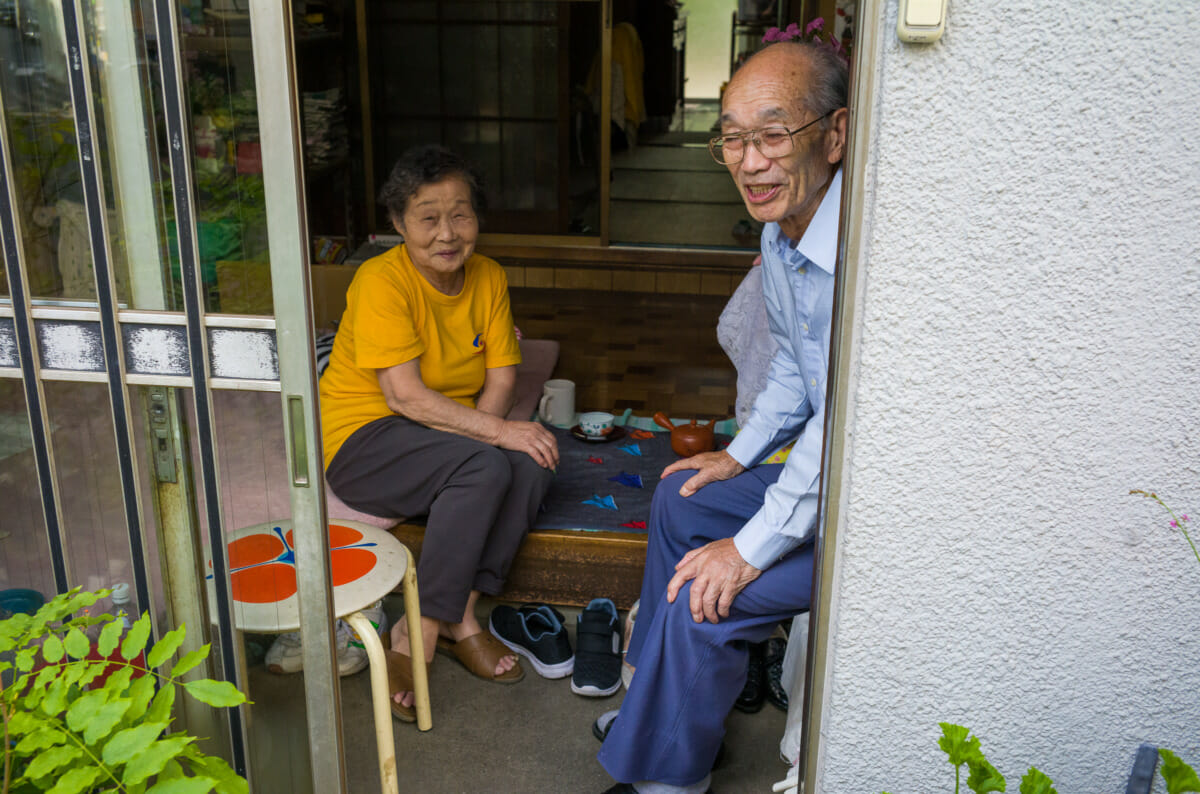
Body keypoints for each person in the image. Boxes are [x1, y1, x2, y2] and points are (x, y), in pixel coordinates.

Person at [594, 39, 848, 794]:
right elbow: (795, 381)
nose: (749, 161)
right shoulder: (781, 237)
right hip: (827, 487)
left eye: (773, 134)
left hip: (875, 522)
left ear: (834, 136)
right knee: (684, 492)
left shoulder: (865, 254)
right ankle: (654, 696)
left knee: (706, 590)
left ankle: (670, 777)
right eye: (733, 138)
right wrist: (737, 459)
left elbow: (841, 433)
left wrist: (747, 550)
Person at [319, 145, 559, 722]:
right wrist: (492, 438)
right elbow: (402, 395)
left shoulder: (489, 276)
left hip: (440, 440)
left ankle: (458, 614)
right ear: (399, 225)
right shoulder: (380, 281)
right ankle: (420, 635)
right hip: (366, 438)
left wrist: (497, 436)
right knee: (492, 459)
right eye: (428, 218)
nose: (447, 233)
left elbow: (502, 377)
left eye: (461, 214)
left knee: (534, 457)